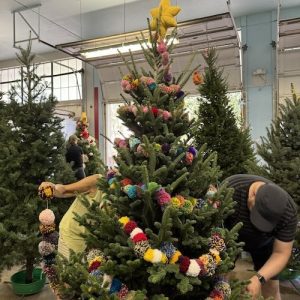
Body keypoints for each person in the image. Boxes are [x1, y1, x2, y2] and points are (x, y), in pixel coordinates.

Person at [224, 174, 298, 300]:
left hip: (264, 243)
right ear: (252, 195)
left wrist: (259, 278)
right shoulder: (231, 189)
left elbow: (281, 253)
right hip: (229, 238)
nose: (259, 226)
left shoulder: (288, 213)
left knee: (271, 287)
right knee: (220, 280)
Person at [38, 174, 102, 260]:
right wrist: (52, 187)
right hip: (71, 233)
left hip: (87, 237)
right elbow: (63, 190)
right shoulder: (98, 180)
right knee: (69, 270)